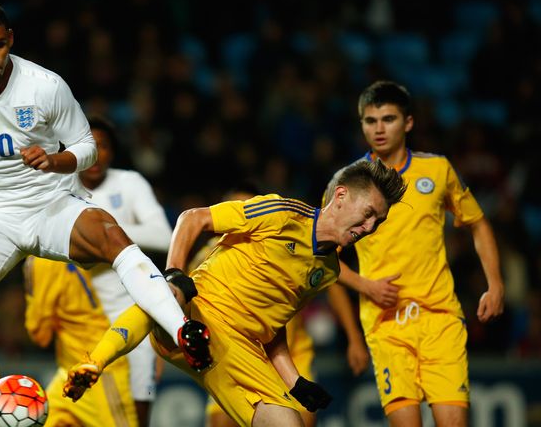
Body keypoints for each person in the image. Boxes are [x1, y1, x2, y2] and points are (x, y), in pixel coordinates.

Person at [0, 2, 211, 427]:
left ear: (10, 39)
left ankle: (183, 331)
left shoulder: (45, 85)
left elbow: (87, 148)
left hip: (52, 203)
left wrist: (55, 160)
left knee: (112, 235)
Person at [64, 159, 407, 427]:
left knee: (290, 422)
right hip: (196, 315)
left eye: (378, 221)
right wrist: (175, 274)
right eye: (369, 214)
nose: (370, 228)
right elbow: (192, 219)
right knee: (166, 293)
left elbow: (274, 325)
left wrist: (294, 380)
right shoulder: (282, 213)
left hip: (239, 352)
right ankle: (94, 362)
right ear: (342, 196)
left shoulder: (328, 270)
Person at [334, 80, 505, 427]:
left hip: (440, 317)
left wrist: (496, 284)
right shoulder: (348, 182)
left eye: (388, 118)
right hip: (386, 325)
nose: (379, 128)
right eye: (370, 121)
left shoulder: (437, 170)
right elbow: (320, 254)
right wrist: (365, 286)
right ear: (362, 125)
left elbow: (478, 223)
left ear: (408, 122)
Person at [194, 184, 370, 427]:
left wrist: (354, 336)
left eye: (249, 205)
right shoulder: (209, 257)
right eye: (238, 206)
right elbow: (176, 296)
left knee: (301, 420)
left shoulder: (281, 235)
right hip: (232, 345)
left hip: (288, 351)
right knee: (222, 422)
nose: (245, 213)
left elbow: (333, 280)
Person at [77, 114, 171, 425]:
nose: (94, 154)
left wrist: (106, 234)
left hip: (132, 304)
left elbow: (163, 236)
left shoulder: (129, 183)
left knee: (139, 400)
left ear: (112, 152)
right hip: (80, 314)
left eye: (102, 146)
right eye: (87, 146)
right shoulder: (60, 187)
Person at [24, 257, 138, 427]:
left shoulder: (41, 261)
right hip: (71, 372)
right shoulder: (64, 251)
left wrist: (30, 287)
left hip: (98, 373)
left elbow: (41, 335)